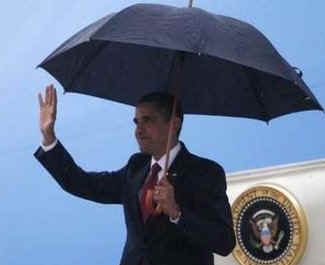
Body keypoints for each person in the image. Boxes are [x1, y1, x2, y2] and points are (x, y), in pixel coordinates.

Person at [34, 84, 236, 265]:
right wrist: (49, 137)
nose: (138, 130)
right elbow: (82, 183)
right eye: (136, 122)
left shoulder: (206, 173)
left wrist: (176, 213)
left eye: (147, 120)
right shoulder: (135, 167)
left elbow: (224, 242)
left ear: (174, 124)